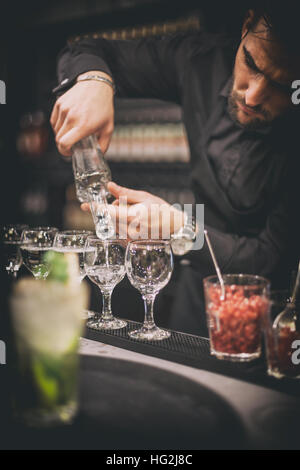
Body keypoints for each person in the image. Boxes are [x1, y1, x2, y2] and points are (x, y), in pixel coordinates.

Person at [51, 6, 300, 335]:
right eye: (250, 62)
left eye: (281, 86)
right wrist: (94, 81)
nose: (253, 95)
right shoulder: (201, 59)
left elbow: (275, 259)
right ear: (245, 26)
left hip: (270, 319)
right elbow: (88, 50)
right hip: (193, 299)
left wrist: (183, 228)